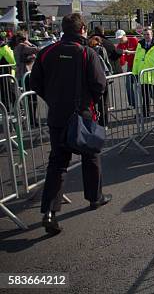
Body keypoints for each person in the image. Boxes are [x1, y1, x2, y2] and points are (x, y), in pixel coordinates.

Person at [30, 13, 110, 235]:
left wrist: (53, 98)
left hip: (57, 114)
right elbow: (99, 84)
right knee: (91, 154)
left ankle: (49, 211)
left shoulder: (47, 52)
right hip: (81, 113)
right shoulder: (86, 53)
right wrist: (89, 102)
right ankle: (95, 198)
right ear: (82, 29)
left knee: (57, 163)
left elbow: (34, 82)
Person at [133, 27, 154, 118]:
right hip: (143, 75)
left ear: (152, 35)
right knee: (145, 96)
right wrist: (134, 73)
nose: (146, 36)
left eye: (148, 34)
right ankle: (146, 113)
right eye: (145, 34)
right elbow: (136, 60)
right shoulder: (140, 45)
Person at [88, 36, 112, 125]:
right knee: (104, 102)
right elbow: (106, 63)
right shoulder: (101, 49)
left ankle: (93, 121)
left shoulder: (87, 50)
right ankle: (104, 123)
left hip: (92, 79)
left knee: (92, 102)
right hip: (102, 78)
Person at [116, 30, 138, 107]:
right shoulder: (119, 46)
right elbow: (122, 62)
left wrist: (130, 52)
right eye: (118, 39)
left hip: (139, 65)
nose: (120, 40)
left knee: (143, 85)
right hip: (130, 66)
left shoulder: (133, 40)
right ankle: (132, 103)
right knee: (128, 85)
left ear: (125, 36)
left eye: (121, 38)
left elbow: (140, 51)